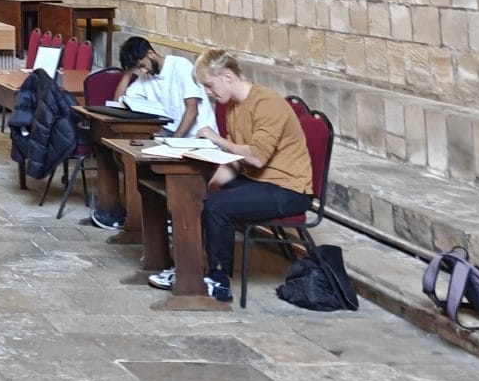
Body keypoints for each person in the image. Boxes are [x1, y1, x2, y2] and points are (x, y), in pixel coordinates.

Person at [147, 49, 314, 302]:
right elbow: (235, 160)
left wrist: (217, 139)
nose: (208, 93)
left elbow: (256, 157)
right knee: (199, 198)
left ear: (227, 76)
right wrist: (211, 185)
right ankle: (189, 270)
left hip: (289, 188)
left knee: (216, 208)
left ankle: (218, 280)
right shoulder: (234, 107)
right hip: (259, 180)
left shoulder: (266, 103)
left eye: (209, 85)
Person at [86, 37, 203, 230]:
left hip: (192, 136)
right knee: (122, 153)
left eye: (142, 66)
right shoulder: (146, 76)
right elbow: (118, 102)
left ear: (150, 54)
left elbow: (192, 111)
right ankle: (142, 215)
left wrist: (173, 142)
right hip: (167, 135)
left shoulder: (180, 66)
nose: (143, 71)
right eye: (138, 69)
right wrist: (128, 74)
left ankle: (162, 215)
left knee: (139, 160)